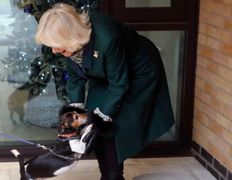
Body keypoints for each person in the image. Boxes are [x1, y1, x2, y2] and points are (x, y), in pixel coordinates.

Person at [35, 3, 175, 180]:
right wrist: (75, 116)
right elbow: (75, 79)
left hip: (138, 73)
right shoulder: (71, 45)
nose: (54, 51)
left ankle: (114, 177)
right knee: (94, 119)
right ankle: (106, 175)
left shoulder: (107, 38)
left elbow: (119, 85)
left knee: (111, 124)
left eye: (56, 45)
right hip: (107, 73)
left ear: (71, 36)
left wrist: (101, 118)